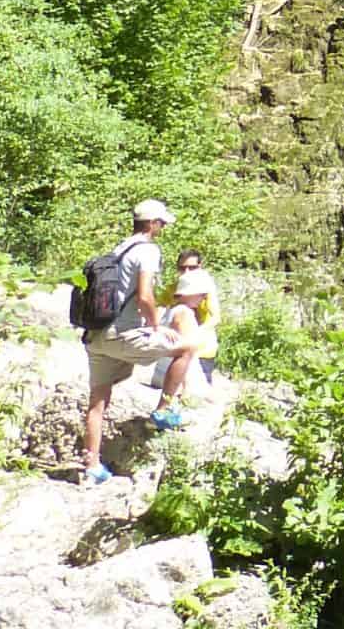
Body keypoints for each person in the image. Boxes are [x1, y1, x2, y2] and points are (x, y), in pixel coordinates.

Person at [81, 200, 191, 484]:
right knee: (186, 347)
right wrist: (156, 327)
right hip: (124, 334)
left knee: (98, 401)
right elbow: (144, 296)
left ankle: (91, 466)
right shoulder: (148, 251)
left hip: (97, 334)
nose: (163, 227)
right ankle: (163, 410)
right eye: (162, 223)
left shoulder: (120, 248)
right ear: (152, 224)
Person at [169, 251, 220, 384]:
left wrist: (194, 334)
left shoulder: (206, 287)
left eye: (192, 267)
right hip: (179, 348)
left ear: (200, 266)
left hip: (203, 348)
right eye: (182, 268)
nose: (187, 271)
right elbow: (160, 308)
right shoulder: (176, 287)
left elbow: (215, 318)